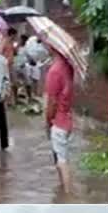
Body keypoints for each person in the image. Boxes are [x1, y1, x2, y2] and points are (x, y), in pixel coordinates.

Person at [44, 46, 76, 193]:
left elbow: (52, 102)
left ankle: (67, 195)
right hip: (68, 119)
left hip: (58, 122)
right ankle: (62, 189)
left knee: (61, 162)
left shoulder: (54, 71)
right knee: (60, 157)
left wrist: (47, 120)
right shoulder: (69, 67)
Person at [1, 27, 18, 105]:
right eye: (15, 35)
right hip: (5, 65)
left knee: (13, 82)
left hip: (11, 64)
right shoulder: (4, 42)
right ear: (12, 34)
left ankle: (13, 99)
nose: (15, 37)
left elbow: (14, 53)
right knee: (7, 83)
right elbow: (0, 53)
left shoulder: (12, 43)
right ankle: (8, 101)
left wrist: (15, 49)